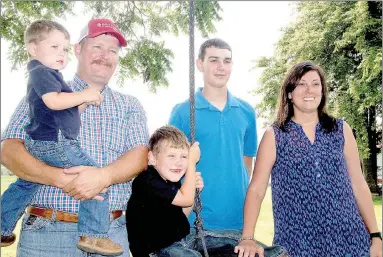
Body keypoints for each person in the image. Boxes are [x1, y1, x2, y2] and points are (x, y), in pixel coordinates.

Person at [1, 18, 149, 257]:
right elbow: (8, 150)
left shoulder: (130, 104)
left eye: (113, 50)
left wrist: (102, 177)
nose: (105, 55)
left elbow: (140, 156)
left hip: (112, 233)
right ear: (78, 50)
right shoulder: (44, 91)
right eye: (97, 47)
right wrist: (60, 178)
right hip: (47, 233)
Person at [235, 61, 382, 257]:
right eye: (301, 84)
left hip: (351, 239)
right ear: (289, 93)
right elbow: (257, 189)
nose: (309, 90)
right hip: (297, 243)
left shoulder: (341, 129)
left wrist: (375, 236)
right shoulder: (275, 135)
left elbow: (358, 183)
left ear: (323, 91)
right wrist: (247, 237)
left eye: (315, 83)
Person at [169, 38, 286, 257]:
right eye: (213, 60)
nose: (221, 67)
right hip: (194, 222)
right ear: (199, 64)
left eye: (227, 61)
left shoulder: (246, 112)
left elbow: (246, 163)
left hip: (236, 222)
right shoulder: (183, 112)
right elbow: (169, 170)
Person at [126, 125, 203, 257]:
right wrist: (191, 163)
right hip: (154, 251)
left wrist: (192, 188)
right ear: (152, 158)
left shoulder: (169, 180)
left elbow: (181, 214)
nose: (178, 163)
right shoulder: (148, 181)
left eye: (184, 156)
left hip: (172, 244)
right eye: (171, 156)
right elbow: (186, 199)